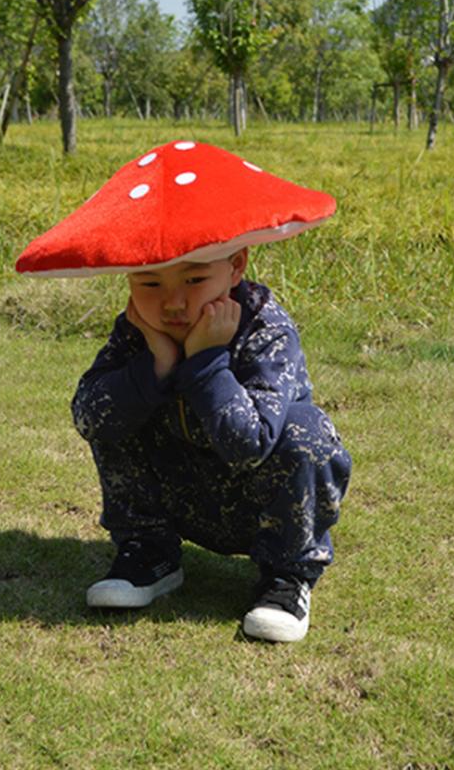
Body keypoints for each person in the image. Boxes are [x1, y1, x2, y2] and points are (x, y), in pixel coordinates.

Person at [71, 246, 351, 642]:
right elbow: (89, 418)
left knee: (306, 430)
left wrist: (205, 362)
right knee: (116, 405)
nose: (173, 303)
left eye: (195, 279)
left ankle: (286, 575)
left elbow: (250, 445)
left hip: (260, 509)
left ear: (235, 266)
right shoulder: (138, 329)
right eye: (149, 283)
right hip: (179, 498)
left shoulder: (265, 329)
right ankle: (150, 552)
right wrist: (156, 365)